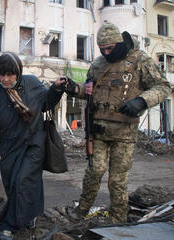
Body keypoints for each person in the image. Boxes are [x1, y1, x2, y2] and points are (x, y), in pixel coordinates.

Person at [65, 22, 171, 224]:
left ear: (119, 43)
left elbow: (163, 86)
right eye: (101, 49)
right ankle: (82, 209)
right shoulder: (97, 64)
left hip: (124, 133)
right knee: (93, 172)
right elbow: (89, 92)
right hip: (98, 131)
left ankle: (117, 219)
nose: (105, 52)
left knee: (117, 179)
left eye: (109, 48)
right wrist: (72, 88)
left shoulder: (140, 60)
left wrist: (141, 101)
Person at [0, 52, 67, 239]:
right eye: (1, 75)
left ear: (18, 72)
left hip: (34, 143)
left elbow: (47, 102)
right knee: (13, 184)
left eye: (10, 75)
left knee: (23, 181)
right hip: (10, 148)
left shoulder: (32, 83)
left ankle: (9, 225)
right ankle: (31, 214)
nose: (5, 79)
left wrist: (56, 89)